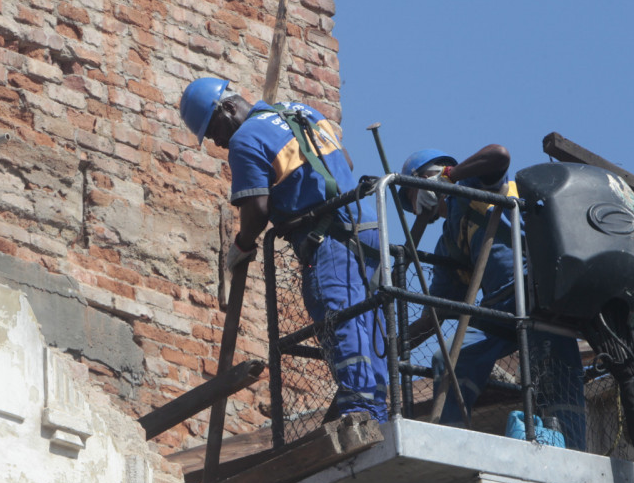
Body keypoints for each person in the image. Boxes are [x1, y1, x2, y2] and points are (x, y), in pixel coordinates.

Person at [179, 77, 387, 422]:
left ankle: (360, 412)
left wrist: (242, 246)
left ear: (228, 108)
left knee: (339, 319)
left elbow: (257, 210)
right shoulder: (300, 111)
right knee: (370, 323)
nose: (217, 143)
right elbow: (345, 161)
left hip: (328, 241)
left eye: (214, 131)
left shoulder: (245, 139)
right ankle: (378, 408)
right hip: (367, 231)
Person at [403, 145, 586, 448]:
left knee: (557, 377)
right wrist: (395, 342)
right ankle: (455, 443)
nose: (415, 205)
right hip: (500, 308)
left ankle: (575, 452)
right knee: (449, 358)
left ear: (428, 176)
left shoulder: (472, 186)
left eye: (411, 194)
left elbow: (500, 156)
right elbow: (434, 314)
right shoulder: (449, 241)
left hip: (538, 293)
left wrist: (450, 176)